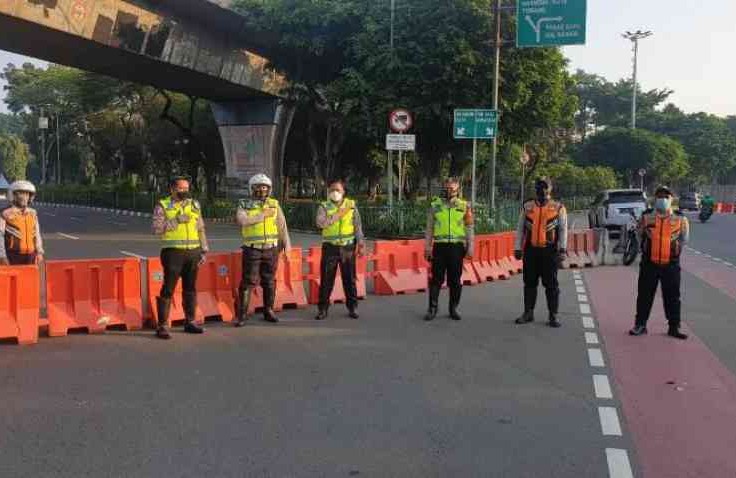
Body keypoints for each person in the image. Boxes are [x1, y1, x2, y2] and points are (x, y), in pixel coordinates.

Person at [152, 177, 209, 339]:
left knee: (190, 288)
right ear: (172, 189)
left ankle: (190, 322)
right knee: (168, 288)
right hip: (173, 253)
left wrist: (204, 249)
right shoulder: (163, 205)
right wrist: (176, 220)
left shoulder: (194, 205)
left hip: (193, 252)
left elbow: (201, 228)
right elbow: (157, 229)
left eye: (186, 188)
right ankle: (162, 326)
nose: (184, 191)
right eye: (181, 188)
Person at [629, 185, 689, 340]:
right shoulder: (647, 217)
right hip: (649, 263)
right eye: (659, 196)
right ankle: (640, 325)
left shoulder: (681, 219)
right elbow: (639, 235)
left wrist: (674, 251)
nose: (663, 199)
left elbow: (684, 239)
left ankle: (674, 327)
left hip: (671, 264)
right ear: (655, 199)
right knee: (644, 295)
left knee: (673, 296)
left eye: (666, 196)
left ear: (671, 199)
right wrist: (646, 248)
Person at [233, 173, 291, 326]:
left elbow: (282, 226)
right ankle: (242, 315)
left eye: (265, 187)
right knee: (248, 281)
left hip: (271, 249)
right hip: (252, 249)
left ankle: (268, 311)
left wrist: (287, 246)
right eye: (258, 187)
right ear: (252, 188)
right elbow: (242, 220)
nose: (262, 189)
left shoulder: (274, 204)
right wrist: (262, 215)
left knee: (269, 280)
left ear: (269, 189)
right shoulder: (244, 204)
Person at [513, 177, 568, 328]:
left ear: (550, 189)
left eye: (544, 186)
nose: (541, 189)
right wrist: (517, 247)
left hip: (550, 251)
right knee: (529, 283)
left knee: (551, 284)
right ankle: (528, 313)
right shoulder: (528, 206)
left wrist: (562, 249)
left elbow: (563, 230)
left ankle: (553, 315)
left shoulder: (558, 207)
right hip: (531, 250)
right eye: (538, 186)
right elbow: (520, 229)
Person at [314, 179, 366, 320]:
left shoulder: (352, 207)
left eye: (338, 190)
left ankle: (353, 307)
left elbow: (358, 227)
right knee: (326, 280)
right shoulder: (324, 207)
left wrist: (361, 244)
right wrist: (338, 215)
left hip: (348, 247)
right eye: (332, 190)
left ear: (344, 192)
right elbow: (320, 223)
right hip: (330, 248)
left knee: (349, 279)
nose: (334, 193)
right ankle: (322, 309)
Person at [424, 177, 474, 321]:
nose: (448, 190)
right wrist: (427, 247)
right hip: (439, 247)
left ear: (457, 190)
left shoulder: (464, 206)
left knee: (455, 280)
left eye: (451, 188)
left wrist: (470, 247)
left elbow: (469, 228)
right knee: (436, 279)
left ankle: (453, 308)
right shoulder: (435, 205)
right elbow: (429, 229)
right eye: (446, 187)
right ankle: (432, 308)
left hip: (457, 248)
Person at [0, 180, 44, 266]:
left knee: (30, 279)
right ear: (13, 195)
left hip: (31, 256)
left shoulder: (32, 214)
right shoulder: (5, 214)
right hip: (12, 256)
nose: (25, 197)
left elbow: (37, 235)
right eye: (21, 193)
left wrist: (39, 252)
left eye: (27, 194)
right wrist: (2, 256)